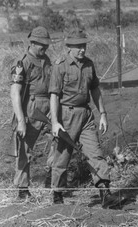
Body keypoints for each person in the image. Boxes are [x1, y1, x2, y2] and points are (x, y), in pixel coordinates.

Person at [49, 29, 110, 205]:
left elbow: (95, 90)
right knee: (62, 156)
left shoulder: (89, 65)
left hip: (86, 115)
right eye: (78, 46)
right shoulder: (60, 66)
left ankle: (105, 193)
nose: (82, 49)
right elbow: (54, 95)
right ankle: (58, 194)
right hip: (66, 116)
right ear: (69, 47)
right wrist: (55, 123)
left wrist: (103, 114)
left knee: (95, 153)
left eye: (84, 46)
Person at [10, 26, 53, 201]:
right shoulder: (22, 62)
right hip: (31, 108)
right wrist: (20, 120)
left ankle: (52, 178)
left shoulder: (47, 60)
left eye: (46, 44)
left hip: (49, 106)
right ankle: (22, 188)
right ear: (32, 42)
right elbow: (15, 93)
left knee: (58, 140)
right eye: (41, 44)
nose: (44, 47)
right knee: (24, 150)